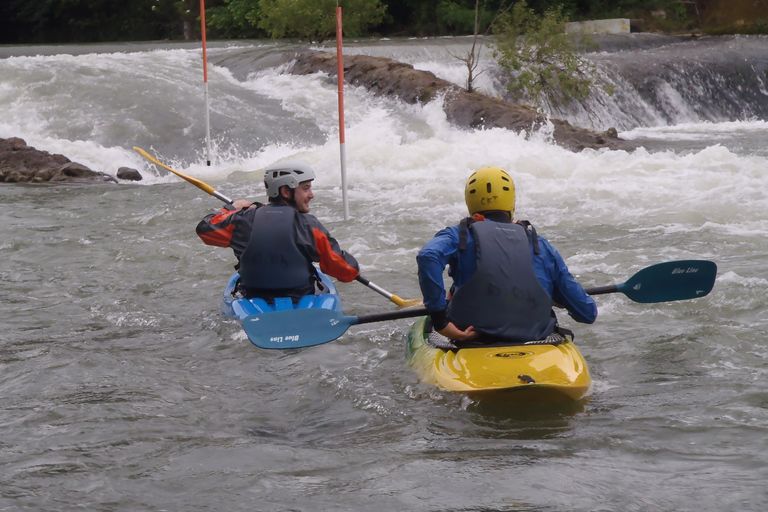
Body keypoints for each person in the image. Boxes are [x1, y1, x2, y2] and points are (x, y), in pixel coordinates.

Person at [416, 166, 597, 343]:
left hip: (471, 338)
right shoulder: (540, 245)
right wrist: (558, 297)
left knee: (453, 293)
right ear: (511, 202)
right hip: (533, 340)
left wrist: (440, 321)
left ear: (470, 203)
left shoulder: (460, 235)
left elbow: (428, 256)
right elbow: (587, 313)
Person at [196, 160, 359, 300]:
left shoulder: (244, 220)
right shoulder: (309, 226)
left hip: (252, 297)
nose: (311, 194)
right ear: (286, 191)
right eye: (306, 188)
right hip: (299, 299)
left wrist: (231, 208)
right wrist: (349, 260)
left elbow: (205, 229)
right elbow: (346, 271)